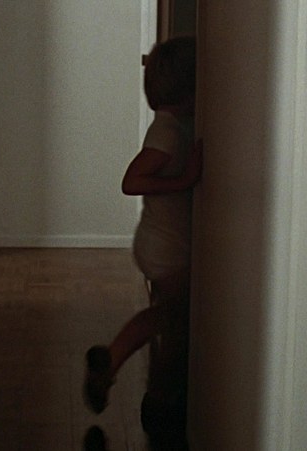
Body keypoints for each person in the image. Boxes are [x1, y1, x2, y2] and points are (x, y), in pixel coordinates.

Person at [84, 36, 200, 440]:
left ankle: (111, 360)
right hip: (168, 248)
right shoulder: (168, 134)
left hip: (157, 242)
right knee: (177, 327)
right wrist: (185, 180)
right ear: (190, 89)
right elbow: (131, 181)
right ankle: (161, 402)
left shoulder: (169, 127)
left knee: (164, 316)